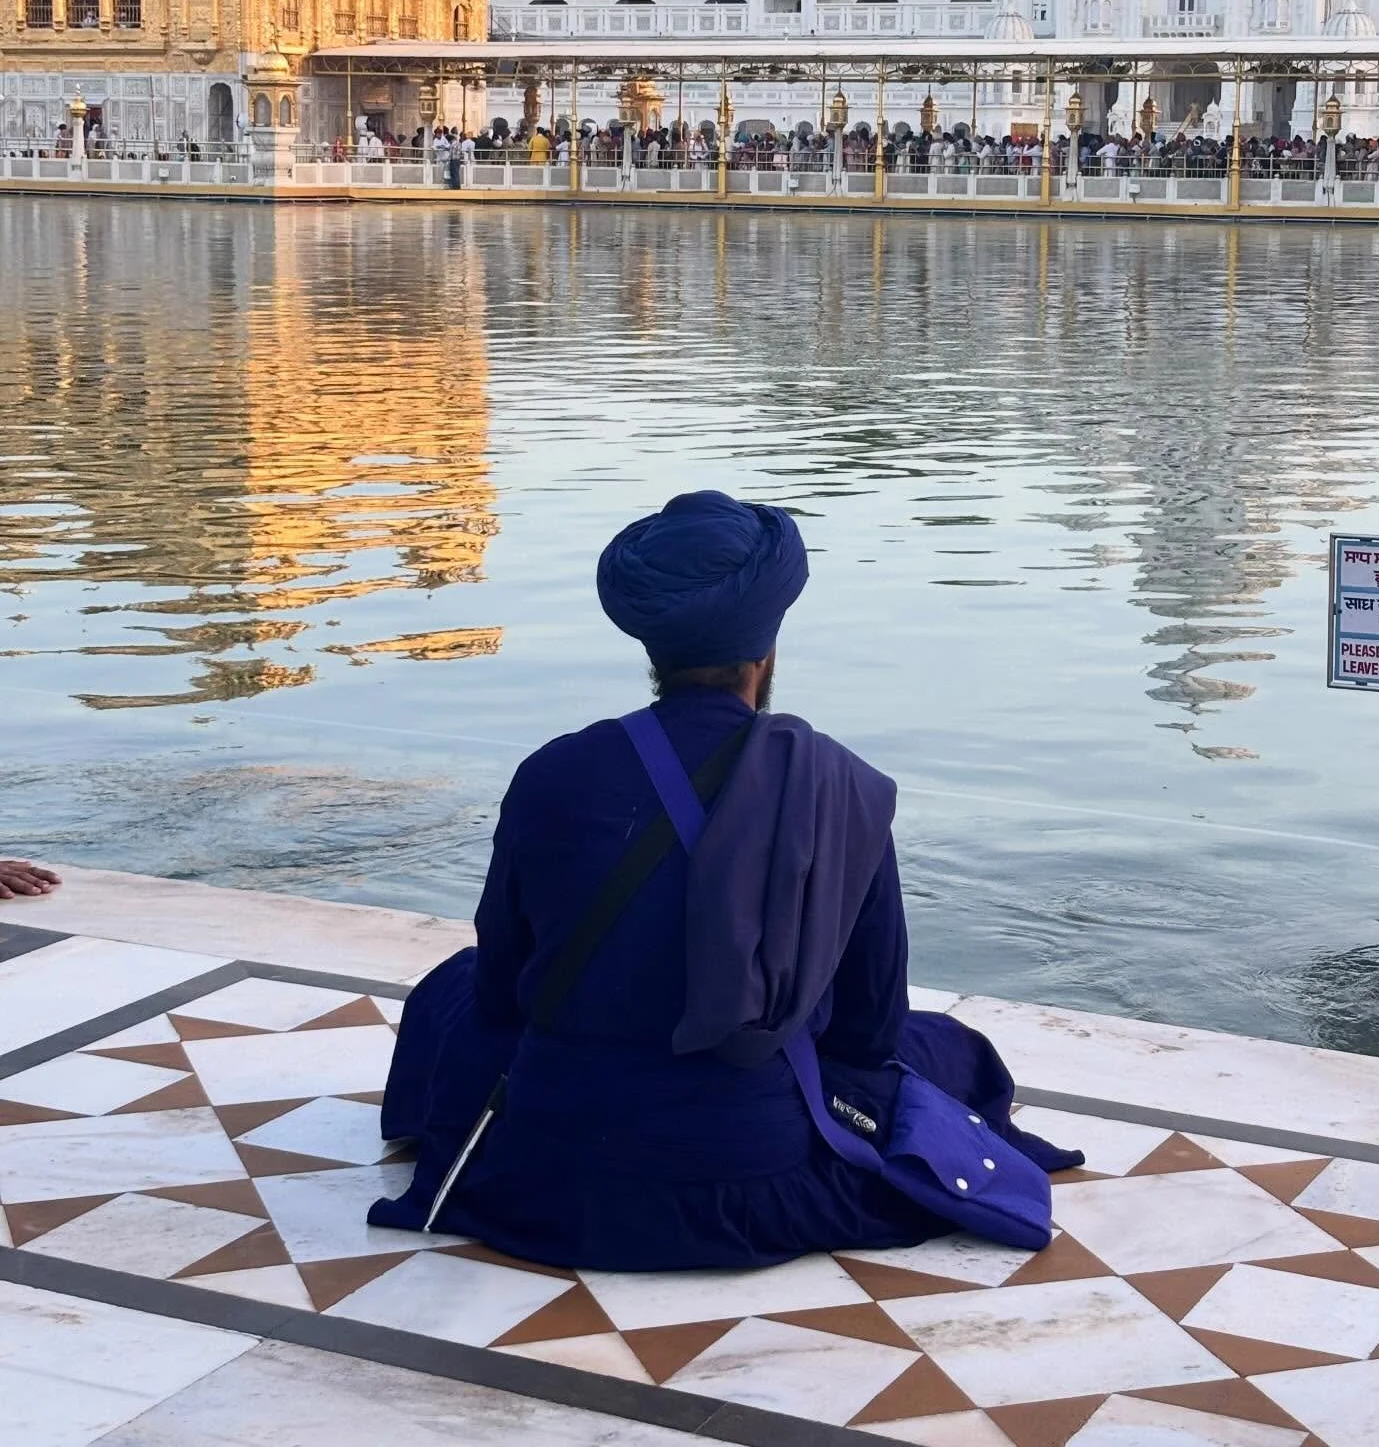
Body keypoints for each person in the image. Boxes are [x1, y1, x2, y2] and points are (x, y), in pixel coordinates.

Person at [372, 490, 1079, 1271]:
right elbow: (869, 1031)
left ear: (650, 649)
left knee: (451, 991)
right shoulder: (838, 785)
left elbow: (503, 989)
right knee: (948, 1050)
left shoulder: (552, 774)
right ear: (766, 651)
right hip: (752, 1177)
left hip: (556, 1172)